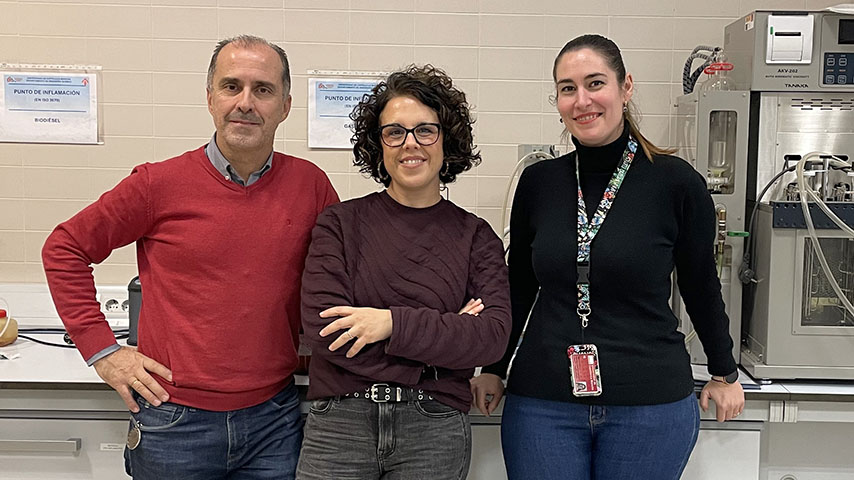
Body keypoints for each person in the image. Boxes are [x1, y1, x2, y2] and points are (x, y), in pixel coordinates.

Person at [41, 35, 338, 479]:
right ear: (210, 98)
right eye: (231, 86)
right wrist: (103, 352)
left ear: (286, 105)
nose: (245, 102)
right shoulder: (155, 185)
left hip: (274, 420)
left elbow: (338, 274)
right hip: (172, 421)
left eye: (263, 89)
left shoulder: (311, 186)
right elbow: (64, 248)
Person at [470, 34, 745, 480]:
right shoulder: (539, 182)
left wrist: (723, 371)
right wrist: (494, 368)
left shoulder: (675, 183)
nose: (582, 100)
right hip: (544, 402)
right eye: (567, 88)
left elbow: (700, 284)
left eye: (595, 83)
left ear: (626, 87)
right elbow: (518, 283)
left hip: (649, 404)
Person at [297, 64, 511, 480]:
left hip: (432, 426)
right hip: (341, 422)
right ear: (379, 146)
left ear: (447, 139)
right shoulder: (339, 224)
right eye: (394, 132)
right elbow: (325, 330)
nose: (409, 143)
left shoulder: (476, 237)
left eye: (425, 130)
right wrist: (439, 352)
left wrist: (389, 323)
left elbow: (491, 337)